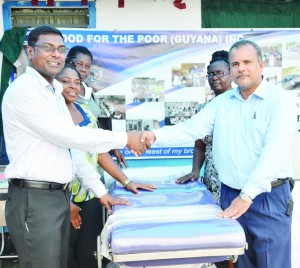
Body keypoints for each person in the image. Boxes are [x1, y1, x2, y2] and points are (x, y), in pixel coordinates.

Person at [141, 40, 296, 268]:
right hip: (231, 194)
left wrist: (247, 196)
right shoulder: (222, 103)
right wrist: (154, 136)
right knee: (240, 261)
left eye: (247, 62)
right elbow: (191, 129)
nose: (241, 68)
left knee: (272, 263)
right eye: (235, 64)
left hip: (268, 197)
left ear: (261, 66)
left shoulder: (279, 101)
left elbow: (274, 152)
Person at [2, 25, 146, 268]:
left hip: (57, 195)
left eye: (60, 48)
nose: (56, 54)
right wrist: (125, 139)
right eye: (47, 48)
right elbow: (68, 136)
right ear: (29, 51)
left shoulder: (53, 94)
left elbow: (74, 153)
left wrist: (102, 193)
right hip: (35, 200)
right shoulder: (25, 90)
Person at [56, 64, 156, 268]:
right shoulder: (52, 116)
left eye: (77, 82)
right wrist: (66, 202)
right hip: (63, 198)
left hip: (93, 193)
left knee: (90, 256)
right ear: (53, 84)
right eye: (65, 81)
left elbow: (98, 152)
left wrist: (126, 182)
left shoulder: (85, 112)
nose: (72, 87)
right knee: (65, 257)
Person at [176, 50, 232, 205]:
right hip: (211, 180)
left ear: (231, 73)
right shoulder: (203, 109)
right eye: (210, 74)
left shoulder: (241, 104)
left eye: (219, 73)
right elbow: (199, 146)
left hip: (235, 182)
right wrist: (195, 171)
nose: (215, 78)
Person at [66, 46, 127, 168]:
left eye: (87, 66)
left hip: (95, 154)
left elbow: (97, 122)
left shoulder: (88, 90)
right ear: (68, 62)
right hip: (73, 157)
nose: (83, 70)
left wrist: (113, 147)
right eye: (79, 64)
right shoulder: (65, 92)